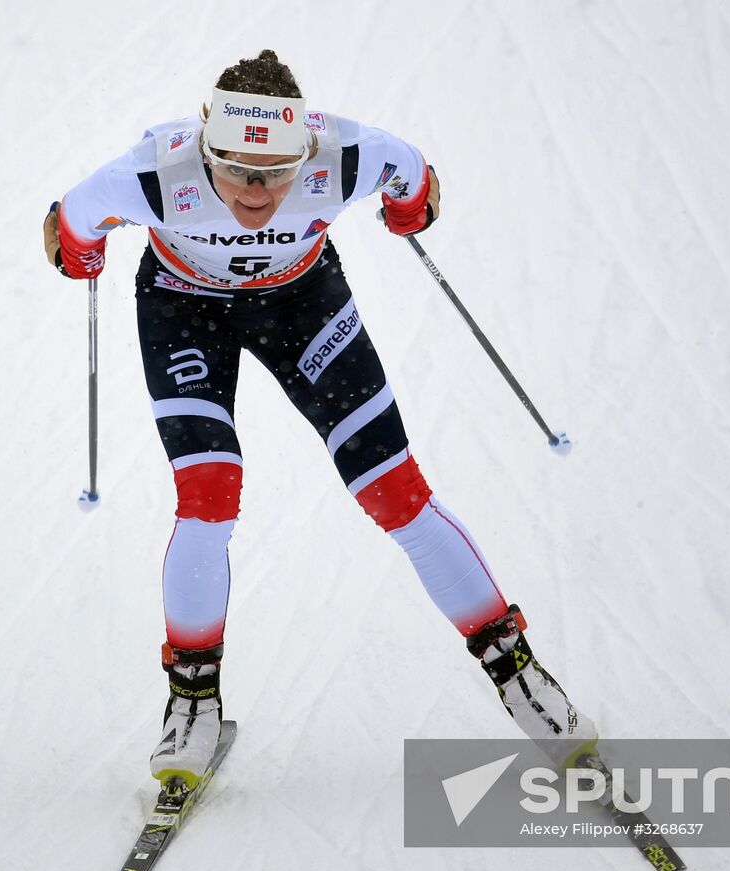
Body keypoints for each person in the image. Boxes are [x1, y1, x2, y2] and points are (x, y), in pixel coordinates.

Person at [44, 50, 595, 787]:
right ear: (205, 147)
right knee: (208, 495)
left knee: (396, 491)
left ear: (305, 152)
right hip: (183, 311)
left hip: (303, 307)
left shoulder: (345, 156)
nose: (257, 192)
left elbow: (416, 178)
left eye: (277, 172)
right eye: (237, 170)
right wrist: (76, 254)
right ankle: (193, 699)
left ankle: (517, 672)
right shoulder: (151, 174)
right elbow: (68, 223)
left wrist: (414, 207)